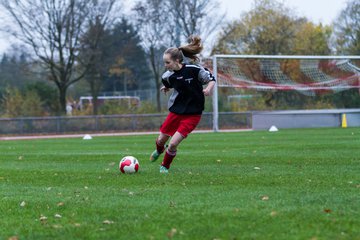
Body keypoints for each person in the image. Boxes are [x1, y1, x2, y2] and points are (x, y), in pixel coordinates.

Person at [149, 35, 216, 173]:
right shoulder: (167, 76)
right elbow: (171, 83)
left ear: (177, 60)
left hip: (193, 114)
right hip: (176, 112)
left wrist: (208, 88)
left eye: (167, 62)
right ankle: (158, 150)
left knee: (173, 143)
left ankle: (164, 166)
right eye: (164, 63)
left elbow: (211, 79)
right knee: (161, 140)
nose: (165, 66)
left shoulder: (194, 70)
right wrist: (167, 88)